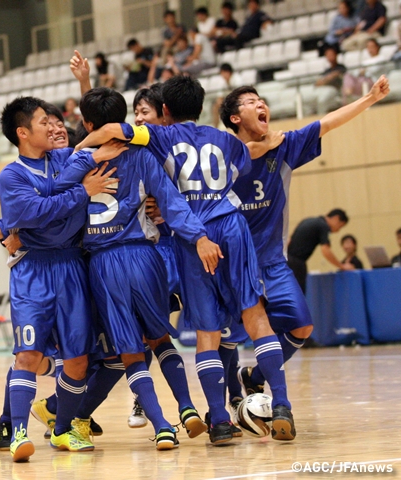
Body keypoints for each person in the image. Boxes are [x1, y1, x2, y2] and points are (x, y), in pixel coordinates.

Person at [75, 75, 295, 445]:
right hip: (232, 225)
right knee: (255, 316)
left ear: (164, 111)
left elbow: (113, 129)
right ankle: (283, 406)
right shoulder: (227, 140)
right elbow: (244, 161)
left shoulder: (158, 136)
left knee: (207, 332)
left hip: (192, 234)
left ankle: (220, 420)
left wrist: (81, 147)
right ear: (202, 105)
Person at [55, 87, 215, 449]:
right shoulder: (142, 156)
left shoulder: (76, 161)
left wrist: (82, 153)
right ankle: (187, 407)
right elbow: (172, 204)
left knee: (130, 349)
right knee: (160, 337)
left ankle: (160, 426)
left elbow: (54, 199)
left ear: (87, 123)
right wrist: (199, 236)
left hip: (104, 262)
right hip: (145, 257)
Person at [219, 75, 388, 414]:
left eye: (261, 100)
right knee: (226, 337)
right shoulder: (221, 151)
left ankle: (254, 375)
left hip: (273, 261)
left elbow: (326, 122)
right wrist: (263, 146)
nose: (261, 104)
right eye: (251, 102)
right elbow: (243, 154)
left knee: (302, 326)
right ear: (235, 118)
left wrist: (369, 99)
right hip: (233, 261)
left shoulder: (286, 145)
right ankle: (226, 407)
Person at [0, 96, 122, 461]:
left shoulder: (66, 158)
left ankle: (63, 430)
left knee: (78, 358)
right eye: (42, 122)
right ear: (23, 133)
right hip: (34, 269)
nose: (52, 127)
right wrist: (83, 191)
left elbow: (95, 134)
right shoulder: (12, 174)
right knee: (28, 354)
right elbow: (33, 212)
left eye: (54, 121)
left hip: (72, 266)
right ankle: (18, 434)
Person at [287, 210, 353, 292]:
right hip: (296, 264)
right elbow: (325, 250)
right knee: (298, 295)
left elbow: (289, 241)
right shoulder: (323, 226)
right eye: (340, 226)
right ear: (336, 218)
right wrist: (342, 266)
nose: (338, 230)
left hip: (285, 260)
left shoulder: (307, 220)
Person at [312, 45, 346, 115]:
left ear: (336, 55)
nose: (330, 57)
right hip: (324, 90)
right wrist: (328, 79)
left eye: (331, 54)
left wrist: (326, 80)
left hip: (336, 92)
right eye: (328, 55)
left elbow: (336, 76)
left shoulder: (341, 68)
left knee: (323, 99)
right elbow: (318, 83)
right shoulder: (326, 71)